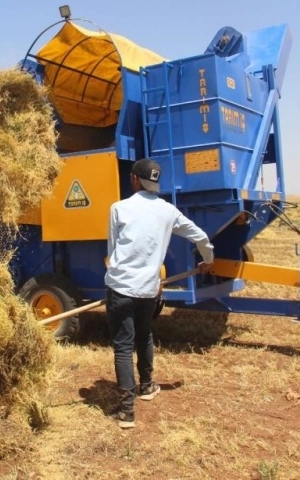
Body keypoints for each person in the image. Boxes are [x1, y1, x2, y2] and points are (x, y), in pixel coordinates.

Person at [104, 158, 214, 428]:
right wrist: (207, 259)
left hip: (120, 287)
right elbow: (199, 236)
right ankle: (147, 385)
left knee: (123, 345)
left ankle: (127, 410)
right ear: (153, 182)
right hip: (148, 289)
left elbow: (111, 252)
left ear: (134, 180)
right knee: (145, 335)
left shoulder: (119, 208)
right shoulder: (168, 211)